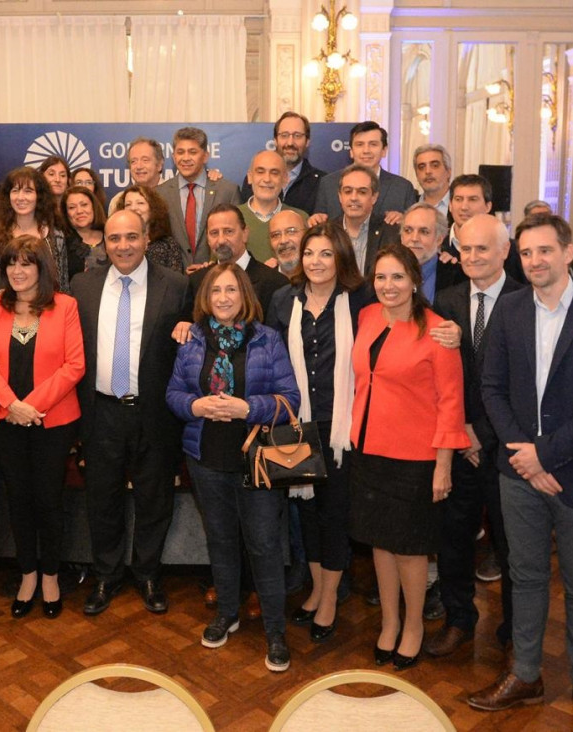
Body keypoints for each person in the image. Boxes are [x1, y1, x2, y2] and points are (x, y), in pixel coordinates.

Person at [470, 214, 573, 732]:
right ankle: (525, 674)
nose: (534, 260)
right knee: (525, 577)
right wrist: (525, 455)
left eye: (544, 251)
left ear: (568, 254)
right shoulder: (510, 310)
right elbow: (491, 387)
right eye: (526, 253)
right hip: (518, 474)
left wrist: (544, 455)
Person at [165, 262, 300, 673]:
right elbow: (172, 393)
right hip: (206, 459)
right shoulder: (191, 340)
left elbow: (290, 398)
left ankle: (276, 631)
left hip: (256, 459)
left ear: (245, 296)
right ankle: (227, 612)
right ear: (206, 297)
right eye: (216, 291)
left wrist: (247, 407)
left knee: (264, 545)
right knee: (221, 541)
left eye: (231, 290)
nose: (223, 298)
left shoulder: (268, 339)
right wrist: (194, 405)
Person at [349, 244, 469, 671]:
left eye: (398, 276)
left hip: (416, 457)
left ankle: (414, 626)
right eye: (381, 277)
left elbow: (451, 402)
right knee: (381, 543)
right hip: (368, 450)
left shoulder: (437, 330)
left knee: (410, 548)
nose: (388, 286)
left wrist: (443, 464)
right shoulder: (366, 318)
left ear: (415, 280)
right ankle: (389, 621)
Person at [71, 209, 190, 617]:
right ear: (104, 242)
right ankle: (106, 574)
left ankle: (148, 573)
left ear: (146, 240)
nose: (123, 246)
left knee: (154, 499)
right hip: (100, 411)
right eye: (115, 238)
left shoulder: (175, 285)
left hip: (154, 413)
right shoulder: (82, 285)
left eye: (131, 237)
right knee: (102, 499)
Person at [267, 222, 373, 644]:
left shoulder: (360, 300)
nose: (315, 261)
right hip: (294, 424)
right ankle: (316, 589)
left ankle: (330, 597)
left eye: (326, 253)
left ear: (341, 258)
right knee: (304, 511)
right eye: (310, 253)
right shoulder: (282, 299)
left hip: (341, 428)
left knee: (334, 512)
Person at [0, 235, 84, 620]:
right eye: (11, 264)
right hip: (4, 421)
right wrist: (12, 405)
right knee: (18, 498)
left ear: (42, 268)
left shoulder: (65, 306)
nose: (17, 272)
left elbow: (75, 366)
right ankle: (28, 574)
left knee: (48, 500)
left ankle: (51, 575)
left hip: (52, 422)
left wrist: (31, 407)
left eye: (26, 264)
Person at [428, 214, 522, 659]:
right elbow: (440, 376)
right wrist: (462, 430)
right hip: (457, 442)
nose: (472, 257)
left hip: (507, 450)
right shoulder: (445, 300)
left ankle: (513, 635)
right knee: (453, 540)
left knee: (510, 548)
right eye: (464, 248)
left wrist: (483, 433)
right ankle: (458, 620)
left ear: (505, 251)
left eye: (482, 248)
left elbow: (526, 384)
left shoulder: (526, 302)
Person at [157, 126, 242, 266]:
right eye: (180, 152)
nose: (185, 158)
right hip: (175, 279)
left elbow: (237, 239)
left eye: (192, 152)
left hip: (216, 275)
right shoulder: (161, 194)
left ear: (205, 156)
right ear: (173, 157)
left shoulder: (227, 191)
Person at [0, 166, 70, 293]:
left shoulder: (56, 235)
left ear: (39, 196)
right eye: (15, 190)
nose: (20, 197)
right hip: (4, 306)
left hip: (46, 307)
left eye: (28, 191)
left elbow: (62, 283)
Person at [313, 121, 417, 223]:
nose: (366, 150)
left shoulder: (403, 188)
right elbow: (320, 223)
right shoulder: (329, 184)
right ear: (351, 151)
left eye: (373, 144)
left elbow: (413, 227)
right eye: (359, 144)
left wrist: (404, 221)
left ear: (384, 150)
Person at [241, 111, 327, 213]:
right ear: (275, 140)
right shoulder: (254, 178)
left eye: (297, 135)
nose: (290, 142)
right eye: (284, 135)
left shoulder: (322, 182)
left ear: (307, 142)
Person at [329, 164, 401, 277]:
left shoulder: (391, 232)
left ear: (374, 197)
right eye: (348, 191)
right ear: (340, 196)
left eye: (362, 192)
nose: (353, 198)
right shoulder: (327, 232)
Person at [238, 150, 307, 262]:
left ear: (285, 179)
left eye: (274, 173)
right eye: (260, 172)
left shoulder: (300, 218)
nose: (267, 179)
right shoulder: (233, 218)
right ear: (250, 177)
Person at [400, 202, 465, 302]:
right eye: (408, 230)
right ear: (401, 237)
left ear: (439, 239)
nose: (414, 238)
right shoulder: (384, 273)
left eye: (424, 232)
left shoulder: (457, 276)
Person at [116, 184, 185, 273]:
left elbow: (175, 282)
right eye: (128, 204)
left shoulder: (168, 245)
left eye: (140, 203)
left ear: (152, 208)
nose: (133, 208)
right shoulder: (117, 243)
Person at [108, 137, 166, 214]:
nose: (139, 166)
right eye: (133, 161)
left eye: (145, 160)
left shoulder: (174, 196)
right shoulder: (118, 201)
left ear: (159, 165)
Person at [62, 185, 106, 276]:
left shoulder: (110, 235)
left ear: (93, 207)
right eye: (72, 207)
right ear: (66, 213)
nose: (79, 211)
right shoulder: (61, 243)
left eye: (84, 205)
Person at [413, 144, 453, 220]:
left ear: (448, 171)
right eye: (422, 167)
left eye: (435, 165)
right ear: (416, 175)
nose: (428, 171)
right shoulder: (409, 204)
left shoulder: (461, 205)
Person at [268, 210, 306, 276]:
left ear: (306, 234)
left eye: (291, 231)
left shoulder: (321, 280)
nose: (283, 241)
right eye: (276, 235)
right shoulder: (265, 281)